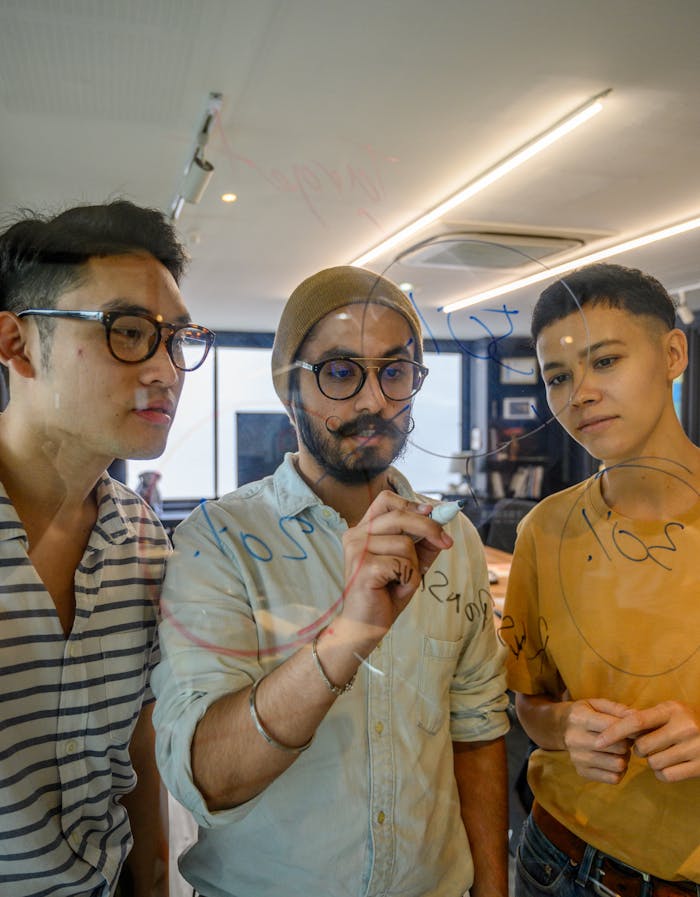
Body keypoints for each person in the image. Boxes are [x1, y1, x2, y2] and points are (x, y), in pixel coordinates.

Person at [153, 265, 510, 897]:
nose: (373, 400)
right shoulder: (218, 542)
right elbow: (207, 778)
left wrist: (491, 887)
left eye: (394, 371)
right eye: (340, 372)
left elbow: (475, 730)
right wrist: (348, 635)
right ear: (288, 387)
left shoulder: (452, 545)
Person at [0, 200, 215, 897]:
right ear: (17, 344)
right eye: (128, 332)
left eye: (177, 339)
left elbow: (137, 752)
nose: (167, 370)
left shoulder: (145, 542)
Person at [501, 262, 700, 896]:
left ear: (672, 354)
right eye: (557, 377)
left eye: (605, 362)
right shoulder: (545, 530)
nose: (577, 393)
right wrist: (565, 729)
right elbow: (529, 701)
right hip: (554, 855)